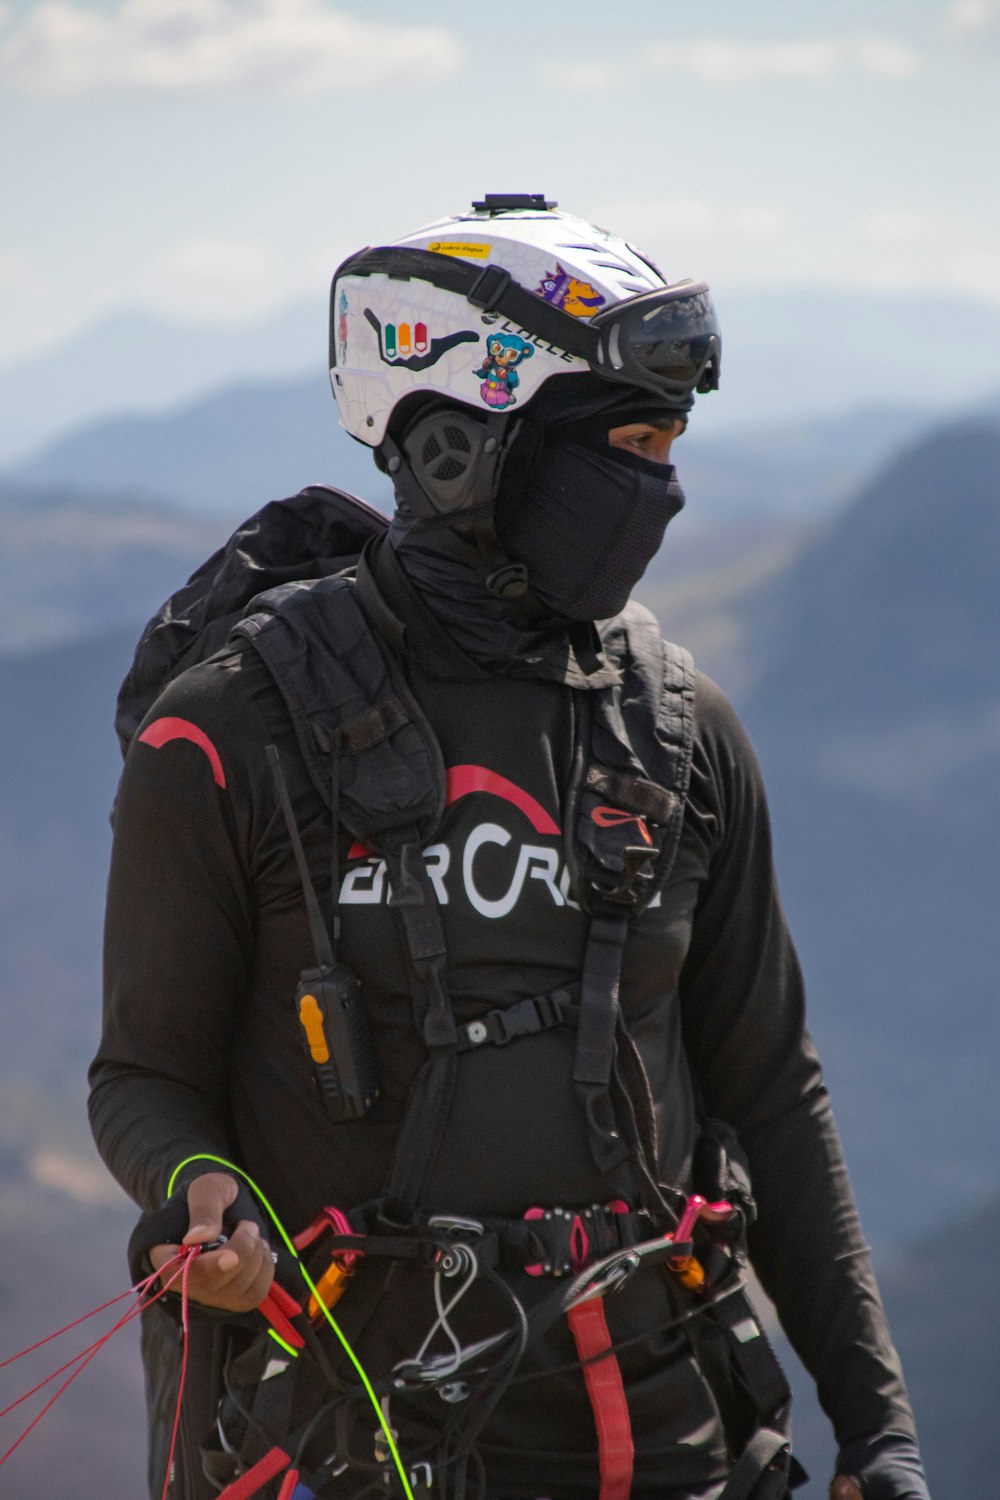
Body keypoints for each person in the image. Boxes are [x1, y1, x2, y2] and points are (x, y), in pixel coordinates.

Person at [90, 194, 931, 1500]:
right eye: (628, 444)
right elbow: (145, 1079)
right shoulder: (227, 735)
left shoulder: (683, 728)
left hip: (666, 1436)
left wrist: (880, 1438)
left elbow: (773, 1091)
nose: (664, 487)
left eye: (670, 442)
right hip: (342, 1433)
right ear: (450, 451)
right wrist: (203, 1191)